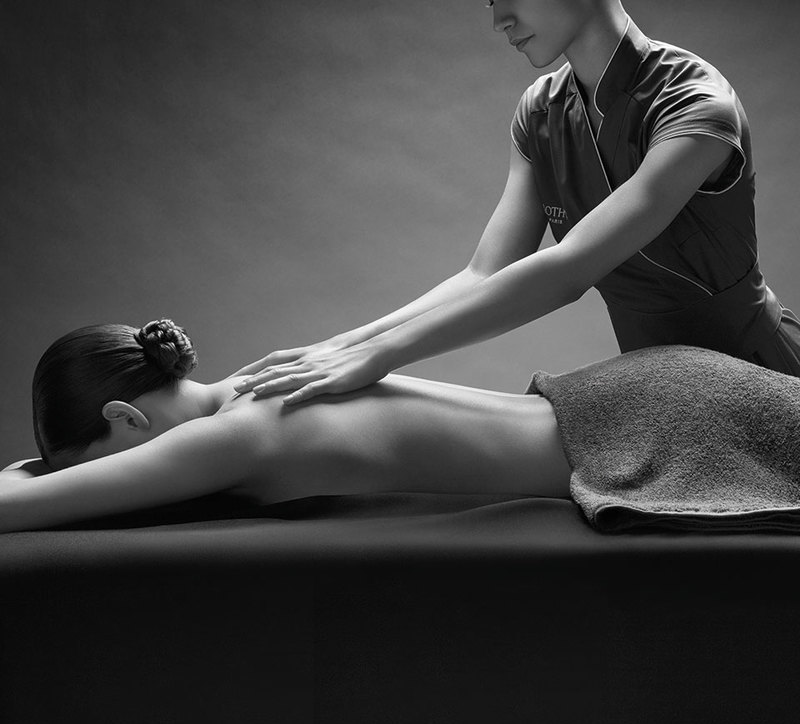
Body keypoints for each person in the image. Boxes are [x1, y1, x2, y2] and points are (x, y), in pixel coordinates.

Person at [231, 0, 800, 406]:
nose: (498, 19)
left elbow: (570, 268)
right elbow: (485, 273)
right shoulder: (541, 111)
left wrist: (381, 356)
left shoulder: (695, 104)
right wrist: (339, 345)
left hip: (762, 378)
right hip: (658, 390)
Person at [3, 318, 800, 535]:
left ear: (124, 415)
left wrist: (35, 473)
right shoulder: (257, 383)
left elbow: (17, 506)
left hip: (659, 434)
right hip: (643, 393)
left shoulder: (229, 437)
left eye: (94, 460)